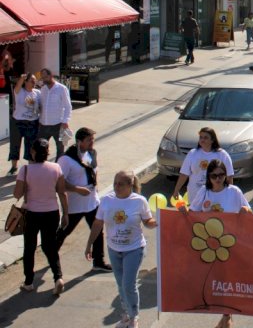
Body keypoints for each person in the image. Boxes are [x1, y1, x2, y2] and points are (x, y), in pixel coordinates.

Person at [183, 160, 249, 328]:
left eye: (221, 175)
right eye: (214, 176)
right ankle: (225, 316)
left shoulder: (234, 192)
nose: (218, 179)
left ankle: (226, 317)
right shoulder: (204, 192)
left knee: (226, 282)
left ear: (226, 175)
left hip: (230, 245)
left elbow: (249, 212)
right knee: (214, 282)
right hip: (209, 247)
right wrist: (183, 210)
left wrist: (245, 211)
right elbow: (193, 213)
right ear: (209, 177)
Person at [85, 171, 156, 328]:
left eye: (121, 184)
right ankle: (126, 314)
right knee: (120, 285)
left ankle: (133, 317)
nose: (116, 187)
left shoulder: (139, 201)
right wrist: (89, 244)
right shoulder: (107, 200)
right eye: (115, 183)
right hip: (114, 249)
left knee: (128, 285)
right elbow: (97, 224)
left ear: (130, 185)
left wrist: (155, 222)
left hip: (134, 249)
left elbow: (147, 221)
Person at [14, 139, 68, 294]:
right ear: (48, 152)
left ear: (32, 151)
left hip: (31, 213)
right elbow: (62, 193)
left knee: (29, 247)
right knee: (49, 246)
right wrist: (65, 213)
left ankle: (29, 282)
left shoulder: (25, 170)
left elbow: (17, 194)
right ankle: (58, 277)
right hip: (51, 212)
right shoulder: (56, 168)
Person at [56, 127, 111, 271]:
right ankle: (51, 254)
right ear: (79, 141)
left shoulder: (91, 153)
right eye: (88, 140)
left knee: (98, 231)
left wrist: (95, 188)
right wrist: (77, 189)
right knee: (64, 232)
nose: (92, 143)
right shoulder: (66, 159)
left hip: (92, 202)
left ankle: (98, 261)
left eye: (92, 139)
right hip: (75, 205)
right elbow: (59, 183)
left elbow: (94, 171)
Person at [172, 127, 234, 203]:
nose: (202, 140)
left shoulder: (222, 154)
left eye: (206, 138)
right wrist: (176, 190)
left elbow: (229, 176)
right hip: (195, 195)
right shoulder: (192, 153)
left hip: (216, 195)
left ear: (212, 140)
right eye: (201, 137)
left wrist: (230, 194)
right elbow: (184, 174)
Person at [9, 73, 41, 175]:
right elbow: (18, 86)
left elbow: (41, 106)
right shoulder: (19, 92)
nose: (34, 83)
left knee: (30, 145)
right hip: (18, 122)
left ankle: (30, 167)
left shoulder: (37, 93)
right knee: (15, 144)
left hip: (32, 122)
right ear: (25, 82)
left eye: (35, 81)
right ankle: (14, 166)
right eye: (31, 81)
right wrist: (22, 77)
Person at [38, 68, 72, 160]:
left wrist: (65, 121)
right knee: (40, 148)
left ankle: (58, 170)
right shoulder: (43, 89)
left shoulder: (61, 88)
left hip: (58, 124)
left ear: (51, 76)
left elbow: (68, 106)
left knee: (60, 149)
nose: (44, 79)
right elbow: (41, 105)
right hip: (43, 124)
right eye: (42, 78)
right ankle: (42, 168)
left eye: (46, 77)